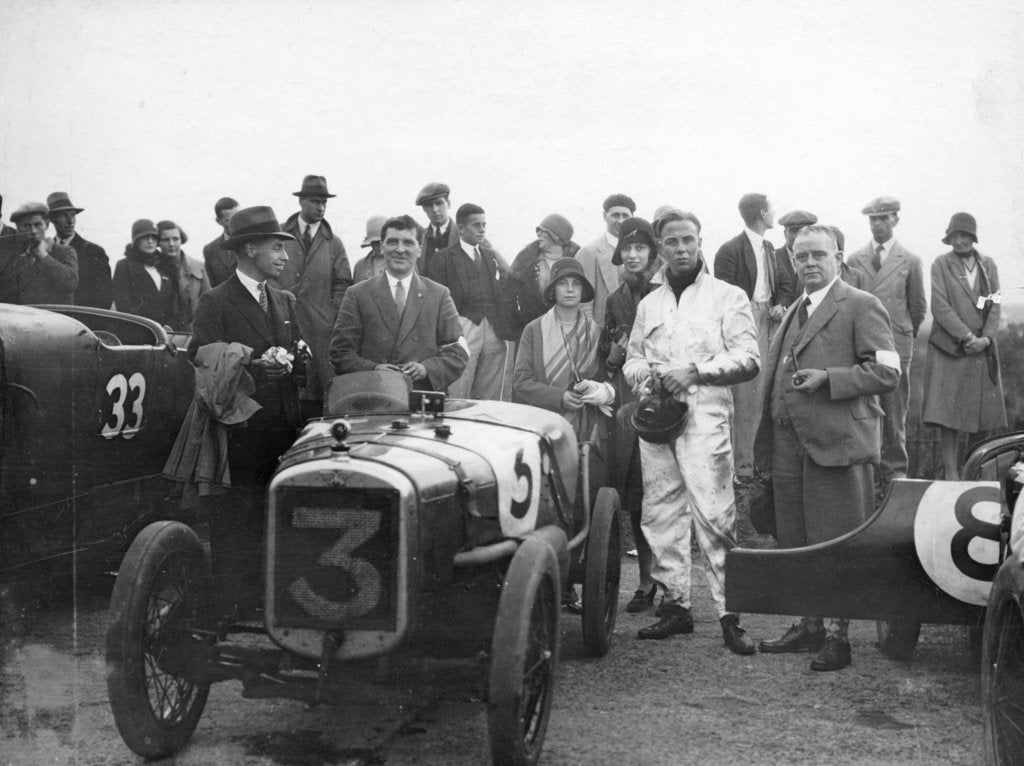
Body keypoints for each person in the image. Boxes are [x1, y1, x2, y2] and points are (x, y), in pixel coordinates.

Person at [755, 224, 900, 671]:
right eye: (801, 257)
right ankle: (810, 624)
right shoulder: (796, 307)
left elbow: (888, 373)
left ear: (838, 257)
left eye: (819, 255)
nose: (810, 264)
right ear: (792, 262)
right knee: (797, 541)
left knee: (836, 542)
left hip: (837, 443)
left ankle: (840, 638)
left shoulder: (862, 305)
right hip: (789, 446)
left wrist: (830, 379)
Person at [622, 210, 759, 654]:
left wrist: (695, 372)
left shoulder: (728, 296)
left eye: (688, 240)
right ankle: (676, 606)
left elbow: (748, 359)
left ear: (700, 241)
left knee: (715, 516)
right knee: (660, 513)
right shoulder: (649, 303)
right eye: (672, 242)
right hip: (657, 420)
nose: (681, 249)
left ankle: (728, 613)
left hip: (706, 420)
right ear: (659, 247)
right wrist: (650, 376)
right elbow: (631, 360)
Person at [189, 205, 305, 615]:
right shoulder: (215, 302)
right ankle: (234, 603)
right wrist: (256, 362)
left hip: (283, 428)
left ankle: (275, 597)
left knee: (279, 513)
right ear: (250, 248)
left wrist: (297, 356)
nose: (285, 256)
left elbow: (298, 360)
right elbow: (202, 359)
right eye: (277, 247)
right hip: (238, 433)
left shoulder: (284, 300)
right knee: (237, 516)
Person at [331, 214, 469, 391]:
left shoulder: (439, 295)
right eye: (393, 242)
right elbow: (340, 353)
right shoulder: (357, 294)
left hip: (422, 398)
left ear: (419, 250)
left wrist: (427, 369)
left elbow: (458, 352)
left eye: (408, 243)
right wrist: (373, 369)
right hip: (373, 396)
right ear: (382, 247)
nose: (400, 249)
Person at [713, 193, 796, 482]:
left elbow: (786, 284)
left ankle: (755, 463)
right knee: (744, 395)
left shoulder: (770, 248)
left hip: (769, 321)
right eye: (771, 209)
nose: (774, 214)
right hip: (741, 321)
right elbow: (721, 297)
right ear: (762, 213)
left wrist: (781, 305)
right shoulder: (730, 249)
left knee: (763, 391)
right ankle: (740, 467)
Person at [847, 197, 926, 488]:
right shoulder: (856, 260)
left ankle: (895, 477)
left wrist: (902, 339)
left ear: (896, 220)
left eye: (883, 218)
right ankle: (866, 476)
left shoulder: (911, 261)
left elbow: (917, 308)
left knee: (894, 413)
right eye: (873, 219)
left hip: (895, 347)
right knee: (865, 409)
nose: (878, 224)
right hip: (864, 345)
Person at [602, 217, 660, 613]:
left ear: (652, 254)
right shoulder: (615, 300)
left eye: (641, 249)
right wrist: (616, 353)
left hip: (670, 407)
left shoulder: (670, 290)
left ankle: (673, 584)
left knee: (670, 497)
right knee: (637, 497)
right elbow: (608, 365)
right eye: (628, 249)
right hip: (631, 410)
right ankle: (644, 582)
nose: (634, 255)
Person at [922, 212, 1006, 480]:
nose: (960, 241)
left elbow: (992, 305)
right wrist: (967, 337)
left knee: (979, 416)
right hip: (951, 349)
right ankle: (951, 475)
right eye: (955, 236)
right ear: (950, 239)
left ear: (973, 237)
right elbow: (940, 305)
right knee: (949, 415)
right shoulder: (941, 265)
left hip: (981, 351)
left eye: (965, 235)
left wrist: (986, 339)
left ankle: (976, 473)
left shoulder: (987, 266)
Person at [276, 174, 353, 414]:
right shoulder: (279, 237)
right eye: (315, 201)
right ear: (301, 202)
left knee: (321, 389)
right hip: (283, 321)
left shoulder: (334, 243)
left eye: (324, 202)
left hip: (322, 328)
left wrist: (331, 312)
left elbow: (343, 282)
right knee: (285, 381)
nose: (321, 207)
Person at [427, 202, 512, 400]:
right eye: (477, 225)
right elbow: (435, 302)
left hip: (492, 330)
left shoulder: (491, 256)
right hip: (463, 327)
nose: (482, 230)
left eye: (484, 225)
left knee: (490, 390)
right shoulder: (443, 258)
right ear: (462, 228)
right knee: (459, 387)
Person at [505, 213, 579, 343]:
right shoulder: (524, 263)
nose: (538, 235)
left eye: (543, 231)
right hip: (531, 335)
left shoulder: (577, 262)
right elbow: (508, 299)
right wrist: (519, 330)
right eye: (538, 231)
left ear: (557, 237)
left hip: (567, 336)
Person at [576, 193, 636, 328]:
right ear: (605, 216)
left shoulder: (639, 253)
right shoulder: (589, 253)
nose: (620, 221)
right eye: (615, 215)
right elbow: (583, 305)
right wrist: (593, 339)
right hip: (603, 335)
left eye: (625, 216)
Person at [0, 201, 78, 304]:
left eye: (38, 225)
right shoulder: (15, 256)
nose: (33, 231)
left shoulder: (64, 252)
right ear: (18, 229)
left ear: (47, 224)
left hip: (54, 318)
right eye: (26, 226)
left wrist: (44, 256)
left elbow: (69, 284)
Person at [46, 191, 112, 308]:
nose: (70, 220)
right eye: (63, 215)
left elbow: (105, 297)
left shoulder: (94, 252)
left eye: (72, 215)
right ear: (52, 219)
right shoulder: (44, 251)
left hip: (82, 322)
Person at [113, 219, 176, 327]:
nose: (150, 241)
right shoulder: (124, 266)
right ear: (136, 240)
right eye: (145, 237)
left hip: (165, 333)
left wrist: (169, 326)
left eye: (154, 237)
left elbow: (173, 303)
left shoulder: (164, 267)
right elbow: (123, 305)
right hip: (137, 332)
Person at [157, 219, 210, 331]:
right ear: (158, 242)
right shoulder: (153, 269)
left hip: (192, 332)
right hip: (161, 331)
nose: (171, 244)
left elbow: (208, 304)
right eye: (165, 240)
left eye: (175, 239)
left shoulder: (199, 267)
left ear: (181, 240)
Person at [416, 182, 459, 276]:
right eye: (429, 205)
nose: (435, 210)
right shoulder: (419, 237)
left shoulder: (465, 235)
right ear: (424, 209)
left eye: (439, 203)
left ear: (448, 204)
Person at [776, 209, 818, 294]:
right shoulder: (772, 258)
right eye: (793, 231)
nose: (798, 236)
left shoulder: (819, 259)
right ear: (785, 233)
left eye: (803, 231)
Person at [202, 196, 239, 288]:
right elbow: (210, 284)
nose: (236, 223)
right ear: (218, 221)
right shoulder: (210, 250)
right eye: (228, 220)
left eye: (237, 217)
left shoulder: (252, 243)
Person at [353, 215, 387, 282]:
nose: (380, 245)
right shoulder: (359, 267)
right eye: (376, 242)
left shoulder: (402, 263)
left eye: (383, 241)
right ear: (370, 243)